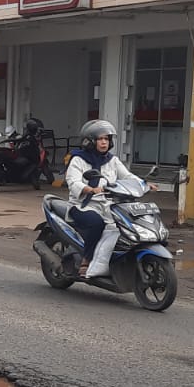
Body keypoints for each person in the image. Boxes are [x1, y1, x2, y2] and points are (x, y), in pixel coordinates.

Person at [63, 119, 142, 279]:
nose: (104, 142)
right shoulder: (78, 159)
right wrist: (89, 189)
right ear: (91, 142)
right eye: (100, 139)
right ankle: (87, 259)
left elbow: (126, 176)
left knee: (128, 225)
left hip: (108, 205)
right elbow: (73, 181)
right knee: (96, 223)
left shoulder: (112, 160)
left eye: (107, 139)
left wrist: (143, 184)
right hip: (83, 205)